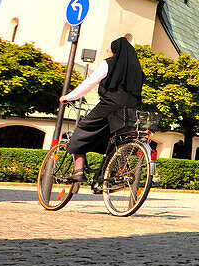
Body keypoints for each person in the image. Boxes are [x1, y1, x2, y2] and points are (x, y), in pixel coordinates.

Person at [59, 37, 145, 182]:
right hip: (132, 109)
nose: (109, 53)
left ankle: (78, 171)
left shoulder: (109, 63)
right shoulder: (137, 68)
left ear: (115, 51)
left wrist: (69, 96)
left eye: (110, 51)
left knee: (83, 130)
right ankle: (115, 172)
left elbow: (90, 82)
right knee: (115, 139)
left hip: (110, 105)